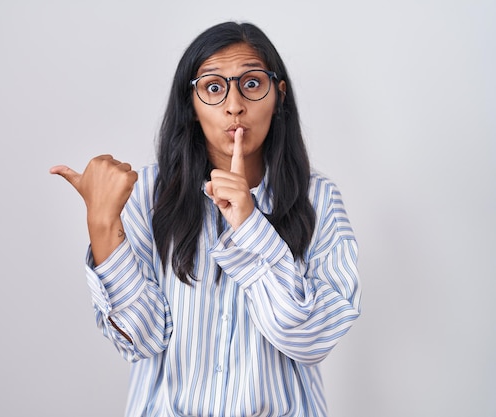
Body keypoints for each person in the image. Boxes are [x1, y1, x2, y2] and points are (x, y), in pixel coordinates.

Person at [50, 21, 361, 417]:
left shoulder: (318, 199)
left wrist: (251, 227)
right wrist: (102, 225)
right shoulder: (147, 194)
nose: (234, 105)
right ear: (192, 106)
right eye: (214, 88)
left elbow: (311, 340)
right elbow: (141, 341)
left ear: (278, 96)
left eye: (251, 83)